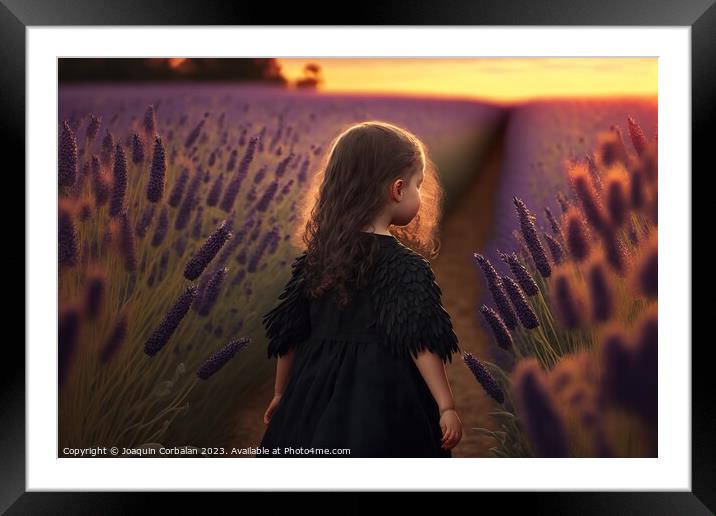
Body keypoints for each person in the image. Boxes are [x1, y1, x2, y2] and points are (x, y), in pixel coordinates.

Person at [256, 121, 463, 458]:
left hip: (312, 391)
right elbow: (421, 343)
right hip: (383, 397)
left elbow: (289, 334)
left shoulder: (318, 259)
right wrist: (446, 406)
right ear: (397, 190)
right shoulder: (405, 267)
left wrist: (282, 393)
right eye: (417, 186)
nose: (419, 196)